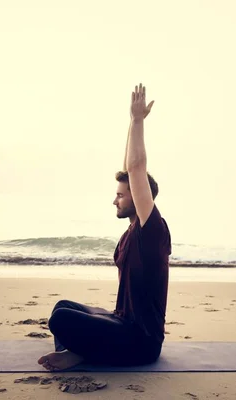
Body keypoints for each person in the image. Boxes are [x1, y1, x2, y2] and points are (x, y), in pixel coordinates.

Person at [37, 83, 171, 371]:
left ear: (138, 196)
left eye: (121, 195)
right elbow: (129, 169)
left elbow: (136, 168)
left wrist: (137, 121)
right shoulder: (132, 232)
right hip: (122, 321)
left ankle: (80, 354)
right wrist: (130, 124)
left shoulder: (152, 231)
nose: (115, 200)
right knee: (62, 308)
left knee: (60, 322)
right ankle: (80, 352)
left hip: (142, 341)